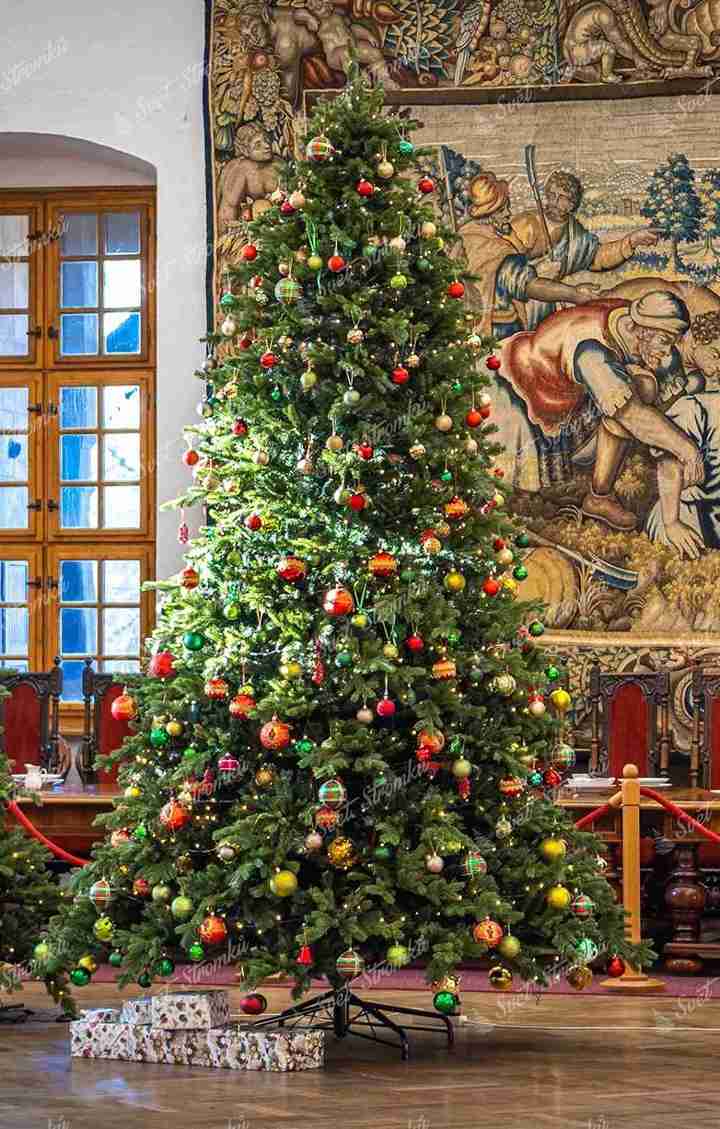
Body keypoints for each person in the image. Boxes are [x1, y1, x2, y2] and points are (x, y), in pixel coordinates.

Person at [497, 290, 703, 531]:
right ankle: (591, 495)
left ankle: (598, 498)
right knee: (629, 401)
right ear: (642, 330)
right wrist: (687, 449)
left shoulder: (632, 321)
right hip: (521, 392)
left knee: (641, 386)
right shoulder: (591, 350)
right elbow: (631, 415)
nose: (668, 351)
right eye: (665, 341)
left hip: (571, 395)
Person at [458, 172, 601, 338]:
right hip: (499, 332)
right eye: (502, 210)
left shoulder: (467, 233)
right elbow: (528, 284)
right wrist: (574, 294)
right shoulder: (496, 250)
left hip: (471, 325)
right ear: (489, 214)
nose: (508, 214)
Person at [511, 170, 658, 328]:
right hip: (517, 307)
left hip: (547, 302)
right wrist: (537, 271)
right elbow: (506, 270)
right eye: (552, 195)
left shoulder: (573, 231)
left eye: (562, 197)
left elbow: (597, 257)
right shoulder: (527, 224)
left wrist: (631, 241)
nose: (554, 201)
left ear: (572, 204)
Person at [646, 311, 720, 557]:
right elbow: (669, 464)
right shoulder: (692, 407)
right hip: (685, 515)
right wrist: (672, 523)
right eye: (715, 354)